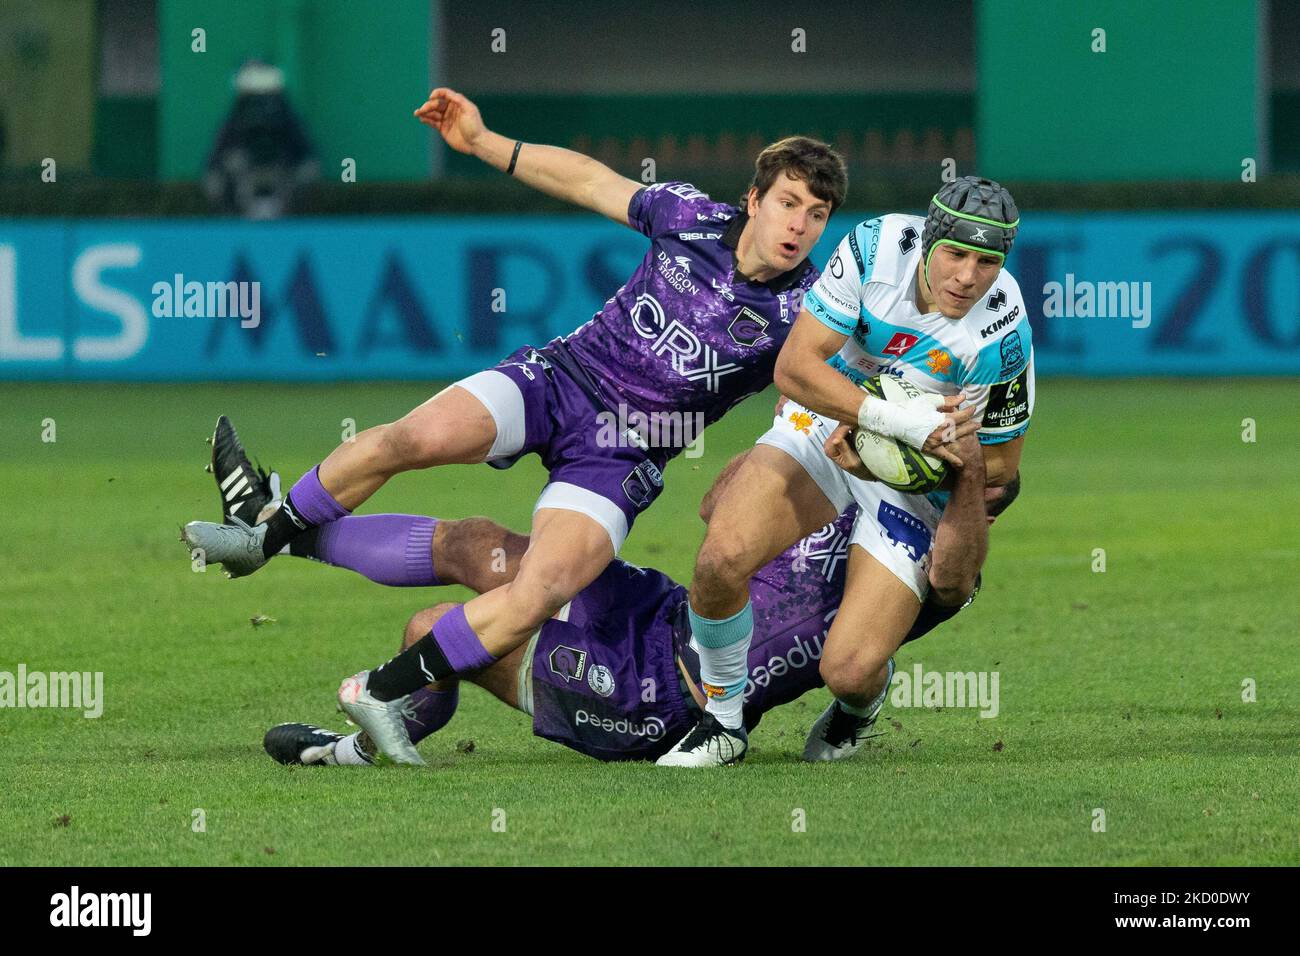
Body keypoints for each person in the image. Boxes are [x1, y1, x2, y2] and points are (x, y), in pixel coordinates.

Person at [183, 89, 920, 763]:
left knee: (534, 591)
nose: (799, 224)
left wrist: (911, 416)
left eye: (817, 214)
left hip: (622, 457)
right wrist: (485, 143)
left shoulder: (805, 312)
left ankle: (356, 666)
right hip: (559, 381)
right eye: (789, 202)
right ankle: (263, 537)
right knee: (410, 439)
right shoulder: (689, 216)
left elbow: (844, 376)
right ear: (754, 198)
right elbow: (590, 180)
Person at [207, 422, 1020, 767]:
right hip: (659, 608)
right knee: (473, 544)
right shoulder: (852, 481)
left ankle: (344, 751)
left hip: (659, 700)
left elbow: (918, 608)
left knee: (434, 629)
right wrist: (806, 438)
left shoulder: (928, 558)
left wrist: (968, 478)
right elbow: (715, 518)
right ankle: (276, 530)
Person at [659, 177, 1033, 766]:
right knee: (720, 556)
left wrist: (898, 459)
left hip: (914, 476)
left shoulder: (1000, 332)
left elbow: (999, 478)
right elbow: (795, 367)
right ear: (926, 241)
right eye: (956, 254)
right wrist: (883, 423)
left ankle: (861, 707)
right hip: (829, 420)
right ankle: (724, 722)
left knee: (849, 670)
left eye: (988, 261)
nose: (968, 276)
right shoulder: (875, 248)